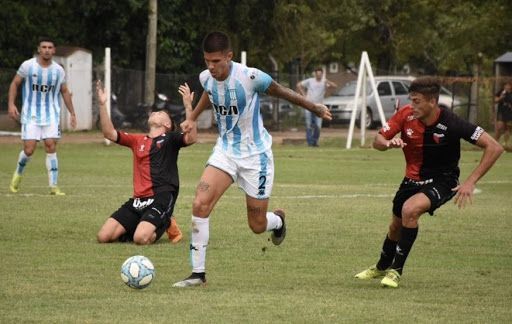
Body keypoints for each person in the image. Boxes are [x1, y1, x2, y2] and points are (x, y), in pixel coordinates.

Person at [172, 31, 332, 287]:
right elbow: (208, 94)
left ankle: (277, 220)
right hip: (225, 151)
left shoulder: (251, 77)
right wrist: (191, 118)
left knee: (257, 225)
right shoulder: (206, 77)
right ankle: (198, 274)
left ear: (229, 56)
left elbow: (283, 92)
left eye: (216, 61)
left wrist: (315, 107)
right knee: (200, 202)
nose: (211, 67)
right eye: (207, 61)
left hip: (256, 156)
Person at [354, 77, 503, 288]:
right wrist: (387, 143)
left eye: (417, 101)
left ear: (432, 101)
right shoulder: (405, 115)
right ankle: (381, 267)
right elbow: (377, 141)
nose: (412, 105)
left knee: (410, 210)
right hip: (411, 180)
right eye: (411, 100)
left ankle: (396, 271)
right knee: (395, 226)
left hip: (443, 180)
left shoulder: (452, 122)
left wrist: (470, 181)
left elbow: (494, 147)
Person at [95, 81, 197, 245]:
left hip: (161, 197)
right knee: (104, 237)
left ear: (167, 124)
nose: (156, 112)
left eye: (161, 113)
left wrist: (188, 107)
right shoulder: (137, 140)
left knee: (141, 239)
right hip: (138, 200)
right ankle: (147, 221)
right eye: (155, 111)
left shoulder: (170, 139)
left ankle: (166, 221)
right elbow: (108, 133)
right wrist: (102, 104)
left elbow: (191, 137)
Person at [8, 37, 77, 195]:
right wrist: (11, 104)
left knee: (51, 145)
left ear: (53, 50)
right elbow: (15, 83)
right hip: (30, 114)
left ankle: (54, 186)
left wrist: (72, 112)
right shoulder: (28, 66)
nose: (46, 50)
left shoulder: (58, 70)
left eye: (50, 47)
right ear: (39, 49)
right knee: (29, 149)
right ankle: (17, 175)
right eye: (44, 47)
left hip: (51, 114)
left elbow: (64, 91)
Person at [296, 67, 337, 147]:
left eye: (320, 74)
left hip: (319, 107)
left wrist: (327, 81)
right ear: (315, 74)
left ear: (322, 74)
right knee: (308, 124)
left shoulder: (324, 82)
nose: (318, 76)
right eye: (317, 74)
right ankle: (310, 143)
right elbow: (299, 85)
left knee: (318, 125)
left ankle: (315, 142)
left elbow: (335, 86)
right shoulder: (310, 80)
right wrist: (304, 95)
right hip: (309, 105)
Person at [493, 81, 512, 148]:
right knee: (499, 127)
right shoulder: (501, 92)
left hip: (510, 114)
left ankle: (505, 144)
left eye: (508, 85)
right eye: (505, 85)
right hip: (501, 112)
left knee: (508, 129)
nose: (507, 87)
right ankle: (494, 143)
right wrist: (501, 97)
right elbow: (495, 100)